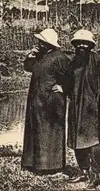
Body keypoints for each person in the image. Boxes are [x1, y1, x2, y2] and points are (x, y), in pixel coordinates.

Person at [21, 28, 72, 176]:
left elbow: (71, 77)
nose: (39, 43)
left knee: (50, 133)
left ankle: (51, 166)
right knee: (35, 130)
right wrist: (30, 56)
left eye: (41, 41)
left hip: (52, 102)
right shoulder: (40, 56)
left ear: (47, 43)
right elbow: (28, 68)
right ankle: (33, 163)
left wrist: (63, 88)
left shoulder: (60, 58)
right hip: (37, 100)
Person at [67, 29, 100, 188]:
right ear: (75, 45)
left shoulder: (99, 61)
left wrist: (97, 101)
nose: (82, 46)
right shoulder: (73, 62)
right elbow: (68, 83)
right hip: (76, 107)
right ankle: (83, 171)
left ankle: (96, 174)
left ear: (91, 45)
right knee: (77, 140)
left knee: (93, 141)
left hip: (92, 107)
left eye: (85, 43)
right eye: (79, 43)